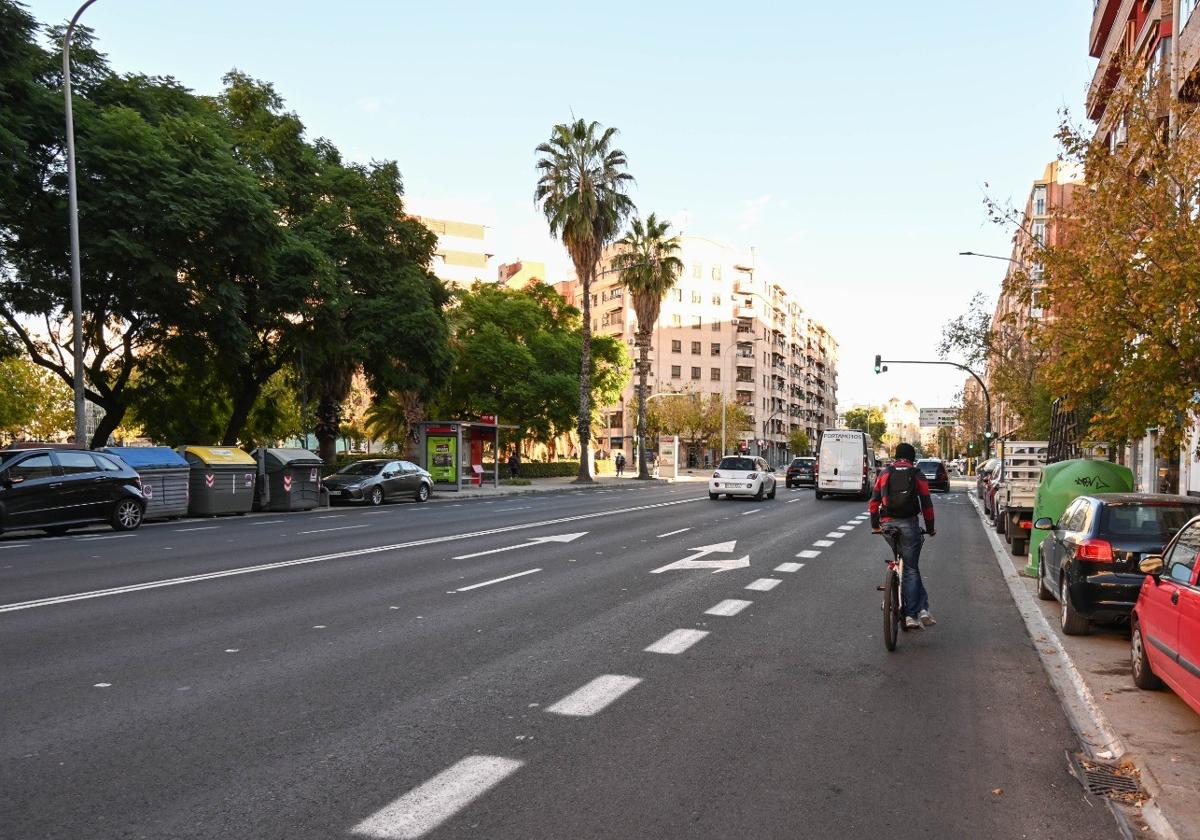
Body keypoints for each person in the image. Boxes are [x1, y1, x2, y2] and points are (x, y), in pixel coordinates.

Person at [870, 442, 937, 630]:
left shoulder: (885, 473)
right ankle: (912, 614)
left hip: (888, 525)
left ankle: (921, 608)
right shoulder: (916, 473)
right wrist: (930, 528)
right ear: (912, 457)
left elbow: (874, 501)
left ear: (897, 455)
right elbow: (926, 503)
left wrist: (875, 525)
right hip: (908, 524)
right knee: (911, 568)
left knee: (906, 564)